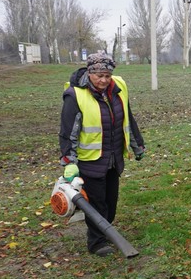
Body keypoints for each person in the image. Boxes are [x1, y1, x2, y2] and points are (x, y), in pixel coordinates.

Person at [59, 51, 146, 256]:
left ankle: (104, 229)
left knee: (110, 202)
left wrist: (137, 145)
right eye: (99, 75)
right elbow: (67, 132)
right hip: (90, 161)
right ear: (89, 73)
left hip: (114, 158)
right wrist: (69, 161)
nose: (103, 80)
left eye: (107, 75)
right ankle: (96, 242)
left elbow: (127, 119)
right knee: (97, 204)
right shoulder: (75, 95)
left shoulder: (119, 88)